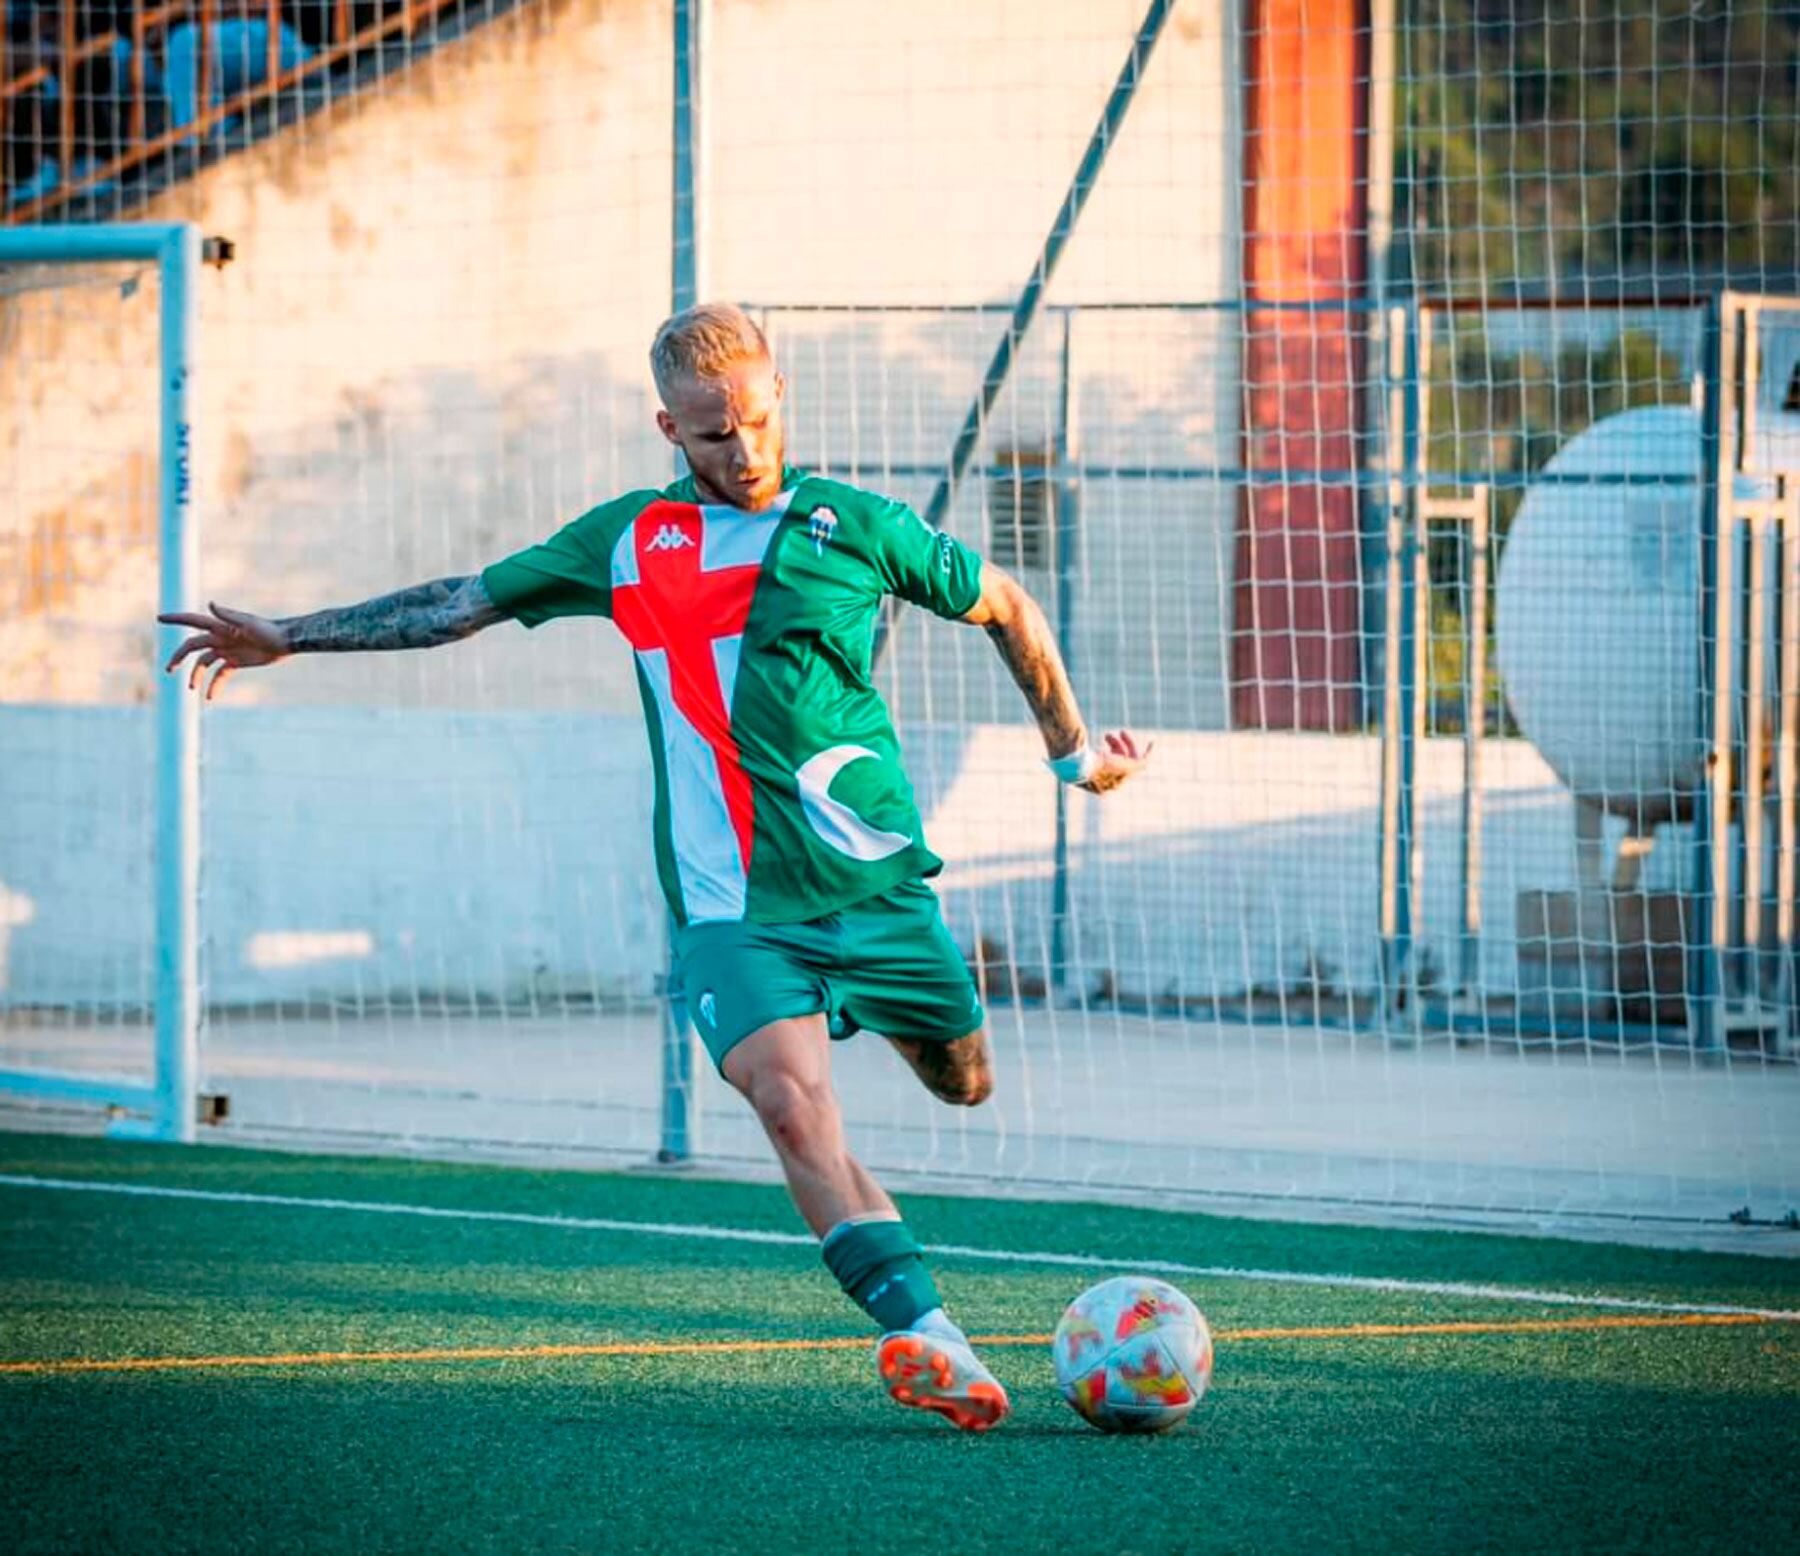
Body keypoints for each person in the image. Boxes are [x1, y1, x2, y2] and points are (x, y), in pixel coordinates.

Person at [160, 302, 1150, 1433]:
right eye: (717, 433)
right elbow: (459, 605)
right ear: (668, 428)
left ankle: (916, 1053)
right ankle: (928, 1334)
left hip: (879, 894)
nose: (747, 450)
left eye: (761, 421)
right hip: (735, 913)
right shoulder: (629, 541)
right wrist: (291, 632)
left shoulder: (854, 523)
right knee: (790, 1103)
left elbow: (1006, 603)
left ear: (781, 397)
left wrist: (1076, 759)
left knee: (963, 1080)